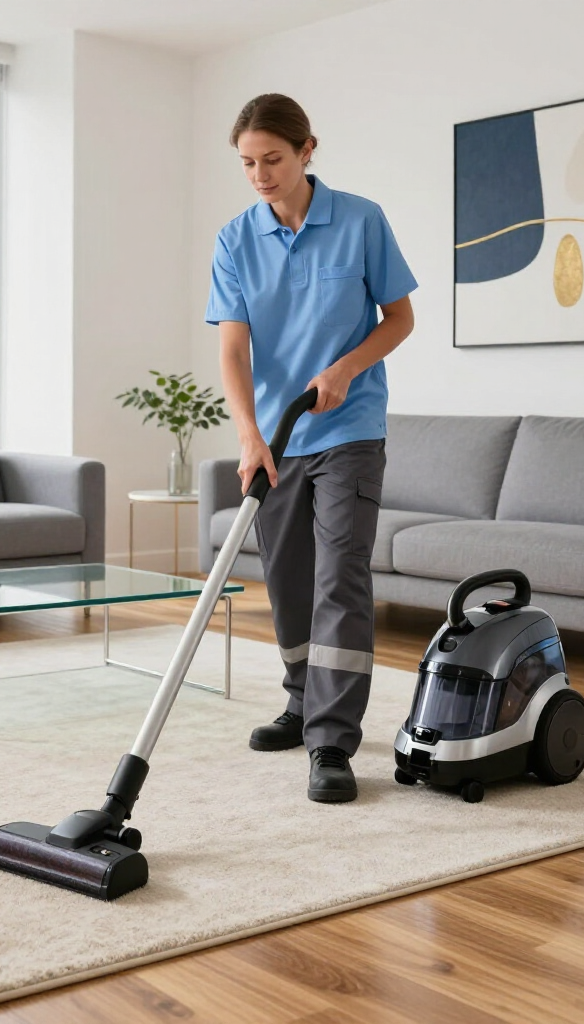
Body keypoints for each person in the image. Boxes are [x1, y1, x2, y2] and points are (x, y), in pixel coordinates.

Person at [205, 93, 417, 803]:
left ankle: (331, 738)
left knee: (340, 578)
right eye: (248, 163)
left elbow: (399, 319)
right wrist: (249, 435)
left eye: (272, 159)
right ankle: (300, 702)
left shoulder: (360, 220)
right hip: (277, 437)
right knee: (289, 580)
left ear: (306, 151)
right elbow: (234, 348)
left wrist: (346, 367)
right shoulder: (235, 240)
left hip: (350, 429)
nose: (261, 174)